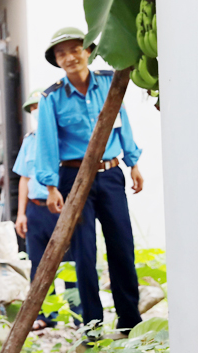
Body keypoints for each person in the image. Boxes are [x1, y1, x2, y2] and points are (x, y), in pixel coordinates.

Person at [34, 27, 145, 333]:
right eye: (61, 54)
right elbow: (46, 143)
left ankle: (129, 320)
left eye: (75, 49)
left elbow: (123, 124)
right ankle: (92, 324)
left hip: (111, 175)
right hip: (73, 178)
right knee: (84, 252)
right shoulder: (51, 98)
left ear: (88, 51)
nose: (69, 57)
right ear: (56, 61)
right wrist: (51, 186)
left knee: (122, 245)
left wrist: (132, 163)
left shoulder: (110, 83)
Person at [12, 89, 80, 330]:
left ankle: (79, 317)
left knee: (72, 262)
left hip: (61, 208)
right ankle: (45, 315)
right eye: (32, 108)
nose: (36, 112)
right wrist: (21, 213)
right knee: (38, 264)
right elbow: (23, 178)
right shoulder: (29, 141)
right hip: (36, 208)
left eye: (39, 106)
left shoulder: (64, 138)